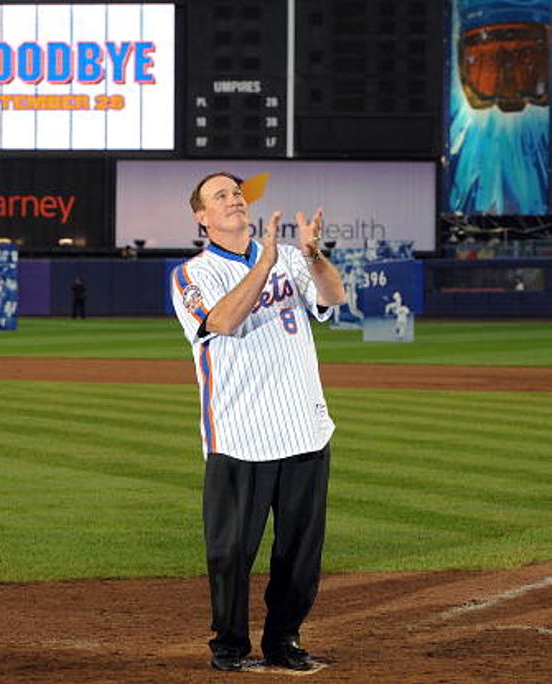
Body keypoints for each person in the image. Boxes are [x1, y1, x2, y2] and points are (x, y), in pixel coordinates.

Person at [170, 172, 346, 673]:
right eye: (219, 196)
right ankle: (228, 645)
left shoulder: (291, 258)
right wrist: (264, 263)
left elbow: (333, 298)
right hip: (239, 434)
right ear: (201, 217)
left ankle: (284, 639)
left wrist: (311, 255)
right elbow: (222, 321)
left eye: (237, 193)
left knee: (300, 554)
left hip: (304, 427)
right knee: (230, 553)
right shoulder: (192, 273)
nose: (234, 200)